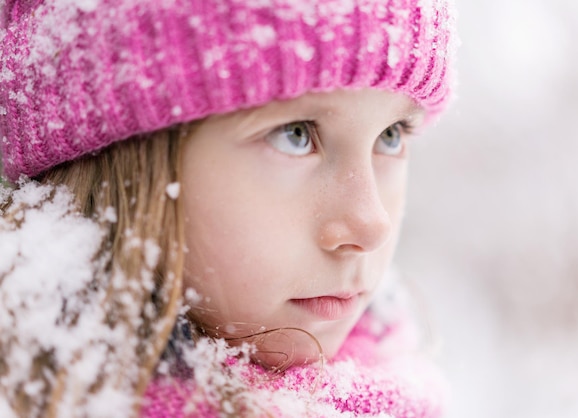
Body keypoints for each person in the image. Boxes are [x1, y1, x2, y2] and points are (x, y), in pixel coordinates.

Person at [0, 0, 456, 416]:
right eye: (295, 134)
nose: (370, 222)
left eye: (391, 135)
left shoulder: (401, 386)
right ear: (126, 164)